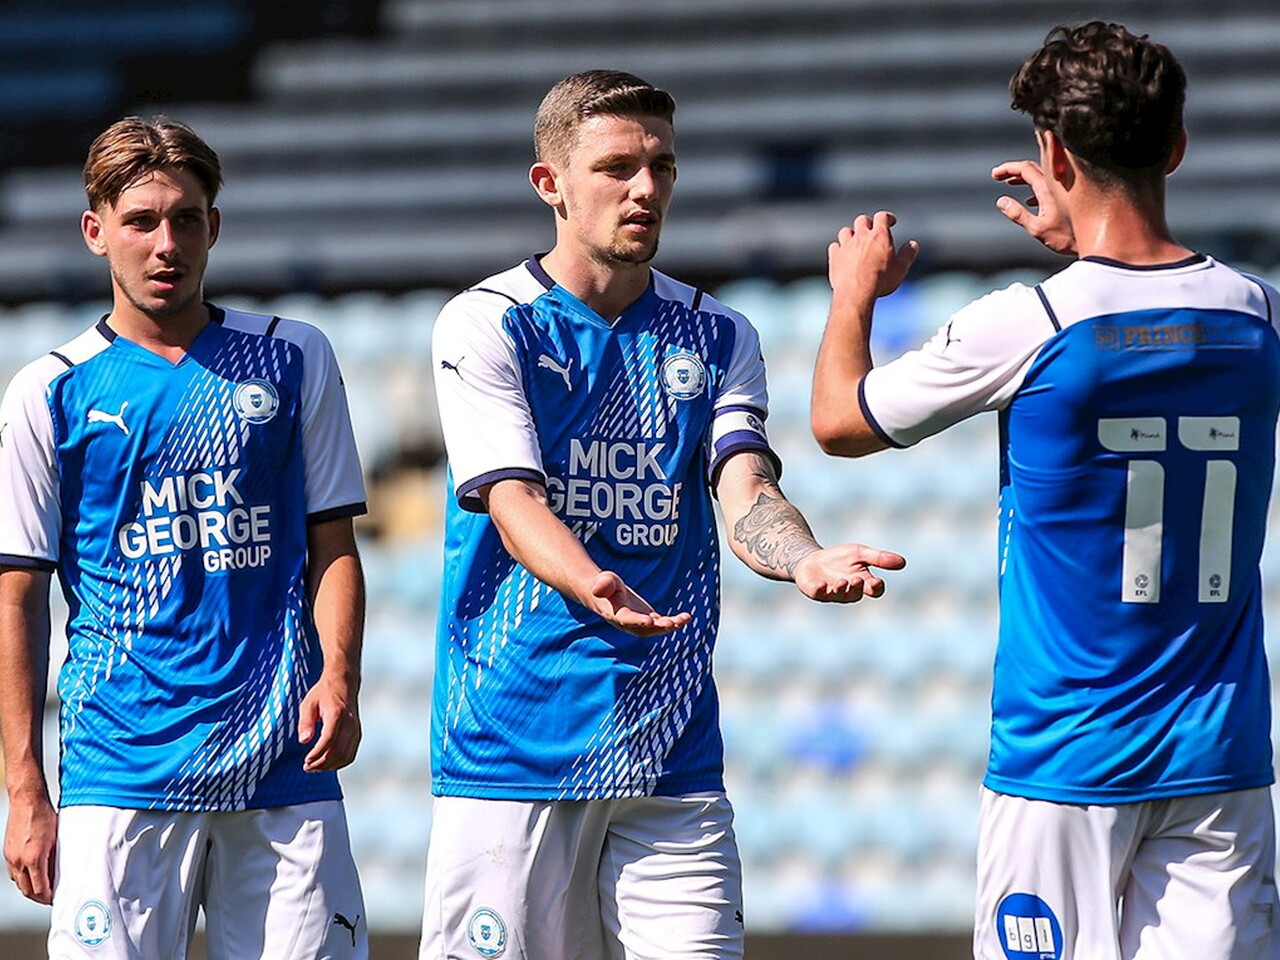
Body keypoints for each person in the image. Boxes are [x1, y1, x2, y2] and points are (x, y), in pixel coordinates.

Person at [811, 21, 1280, 960]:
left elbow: (839, 422)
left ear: (1054, 156)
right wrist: (1087, 247)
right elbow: (1151, 321)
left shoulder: (1031, 321)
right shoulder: (1257, 311)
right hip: (1220, 759)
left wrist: (854, 291)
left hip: (1067, 757)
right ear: (1177, 147)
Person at [424, 69, 905, 960]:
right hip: (513, 747)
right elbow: (513, 500)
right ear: (550, 183)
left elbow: (744, 486)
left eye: (662, 167)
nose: (645, 189)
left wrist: (800, 557)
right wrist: (590, 580)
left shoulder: (719, 335)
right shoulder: (488, 323)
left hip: (669, 751)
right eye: (617, 168)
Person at [0, 117, 369, 959]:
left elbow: (334, 546)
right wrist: (24, 789)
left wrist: (340, 678)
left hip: (281, 762)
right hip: (121, 767)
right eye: (140, 221)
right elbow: (16, 596)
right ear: (95, 231)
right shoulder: (48, 392)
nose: (166, 244)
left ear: (214, 226)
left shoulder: (293, 358)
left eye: (186, 219)